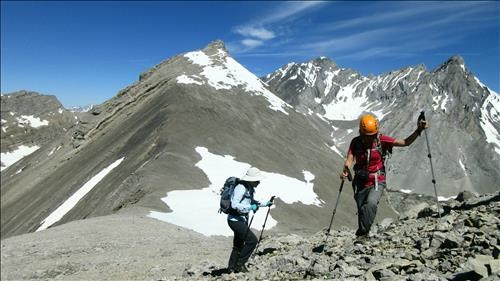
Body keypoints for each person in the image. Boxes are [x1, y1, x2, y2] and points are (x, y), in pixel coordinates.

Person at [340, 113, 428, 238]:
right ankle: (362, 235)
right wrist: (346, 168)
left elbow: (404, 142)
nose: (370, 138)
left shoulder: (381, 140)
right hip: (360, 181)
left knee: (370, 203)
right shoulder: (356, 142)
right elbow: (350, 157)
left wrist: (418, 130)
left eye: (372, 135)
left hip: (377, 180)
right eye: (367, 136)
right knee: (362, 209)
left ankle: (362, 235)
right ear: (361, 133)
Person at [227, 167, 273, 273]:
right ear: (251, 180)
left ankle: (231, 268)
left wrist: (265, 204)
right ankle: (239, 264)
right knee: (252, 241)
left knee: (238, 244)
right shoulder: (241, 188)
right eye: (257, 180)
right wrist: (250, 208)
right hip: (235, 220)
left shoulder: (249, 188)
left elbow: (251, 202)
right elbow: (234, 204)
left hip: (240, 219)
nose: (259, 182)